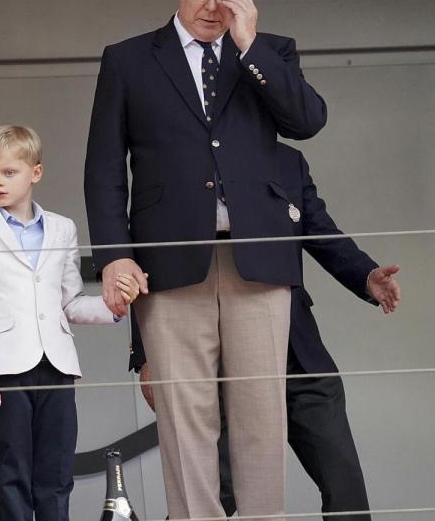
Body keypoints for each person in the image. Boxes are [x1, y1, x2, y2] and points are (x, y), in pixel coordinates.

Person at [83, 0, 329, 517]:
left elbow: (308, 121)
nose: (212, 5)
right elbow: (103, 169)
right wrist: (114, 256)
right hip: (170, 267)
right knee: (184, 422)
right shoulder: (127, 60)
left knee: (261, 420)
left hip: (258, 265)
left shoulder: (270, 52)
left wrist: (249, 45)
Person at [131, 142, 402, 521]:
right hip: (222, 366)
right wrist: (145, 354)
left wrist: (365, 274)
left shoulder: (288, 161)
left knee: (346, 492)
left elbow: (321, 231)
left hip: (299, 356)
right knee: (210, 496)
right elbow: (153, 253)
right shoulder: (183, 156)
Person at [0, 125, 140, 521]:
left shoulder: (62, 227)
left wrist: (115, 307)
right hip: (3, 369)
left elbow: (69, 302)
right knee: (12, 474)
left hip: (56, 366)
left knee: (56, 474)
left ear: (35, 172)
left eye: (8, 172)